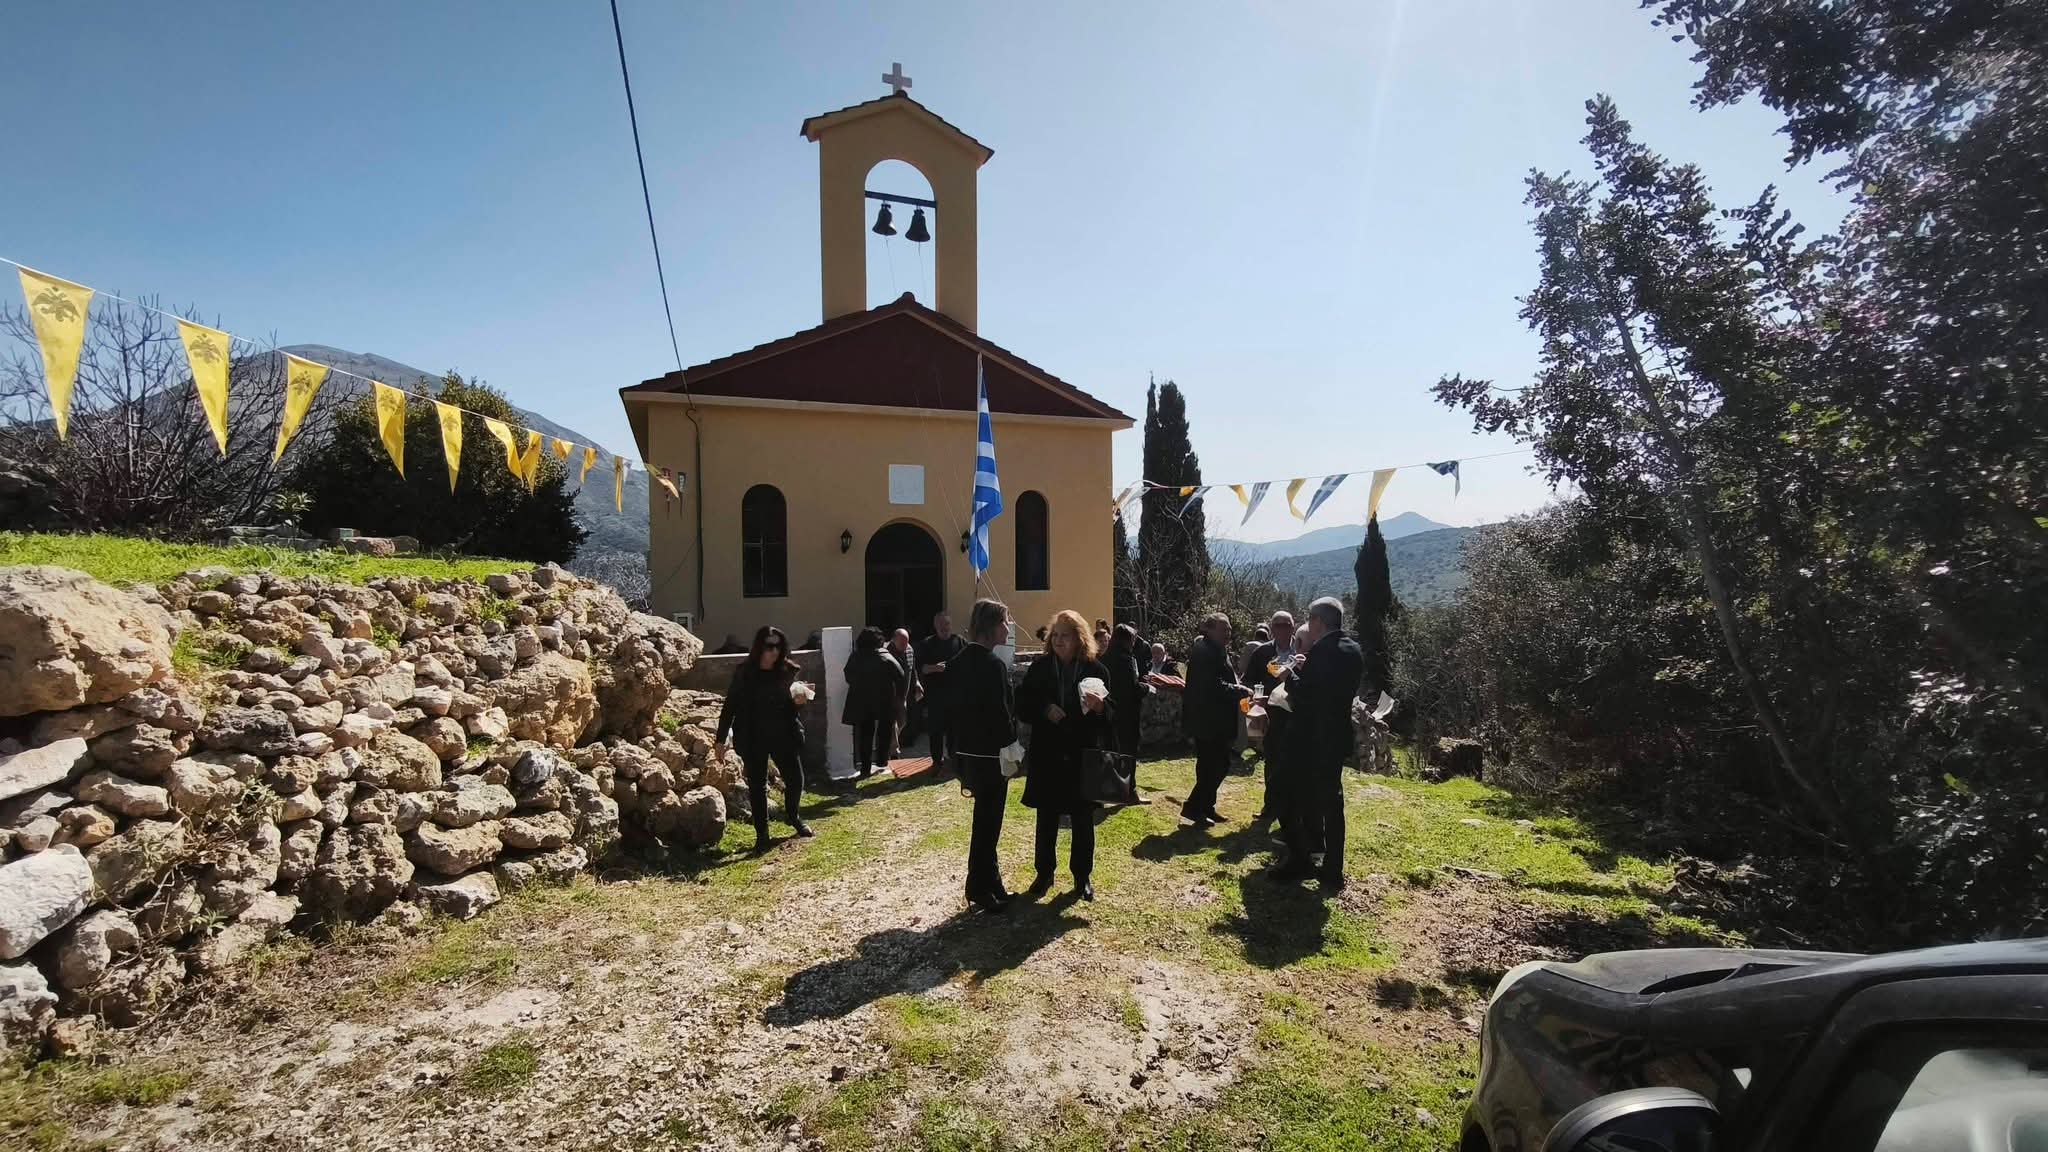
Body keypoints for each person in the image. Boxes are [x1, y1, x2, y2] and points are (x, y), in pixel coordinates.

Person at [1017, 610, 1114, 901]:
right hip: (1048, 753)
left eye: (1065, 636)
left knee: (1082, 819)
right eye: (1055, 635)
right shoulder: (1040, 668)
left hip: (1082, 754)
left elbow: (1113, 715)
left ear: (1079, 638)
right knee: (1046, 816)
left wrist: (1101, 708)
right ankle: (1044, 873)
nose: (1058, 641)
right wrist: (1044, 709)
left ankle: (1082, 877)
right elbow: (1022, 704)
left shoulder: (1096, 670)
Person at [1272, 597, 1364, 893]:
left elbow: (1306, 697)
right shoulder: (1352, 649)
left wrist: (1291, 675)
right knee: (1330, 804)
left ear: (1318, 622)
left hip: (1309, 739)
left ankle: (1299, 858)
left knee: (1285, 795)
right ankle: (1332, 868)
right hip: (1335, 737)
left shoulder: (1323, 651)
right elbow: (1329, 690)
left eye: (1309, 619)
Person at [947, 599, 1019, 913]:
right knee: (988, 824)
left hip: (966, 753)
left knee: (986, 821)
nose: (1008, 626)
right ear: (991, 626)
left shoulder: (957, 661)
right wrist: (1014, 750)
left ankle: (992, 882)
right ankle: (978, 886)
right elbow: (1001, 715)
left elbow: (949, 712)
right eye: (1005, 621)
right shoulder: (992, 665)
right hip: (990, 756)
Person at [716, 625, 815, 851]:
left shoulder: (787, 671)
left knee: (796, 779)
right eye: (770, 646)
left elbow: (791, 704)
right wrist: (720, 739)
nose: (775, 652)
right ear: (759, 647)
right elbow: (730, 706)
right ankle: (762, 835)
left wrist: (798, 703)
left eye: (779, 647)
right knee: (757, 786)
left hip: (783, 733)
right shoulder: (744, 673)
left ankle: (793, 816)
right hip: (753, 735)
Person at [1182, 612, 1251, 825]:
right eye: (1223, 629)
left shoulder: (1215, 649)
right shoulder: (1205, 652)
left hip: (1215, 720)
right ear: (1209, 629)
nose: (1228, 633)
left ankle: (1206, 807)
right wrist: (1240, 690)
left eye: (1229, 629)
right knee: (1214, 766)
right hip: (1208, 720)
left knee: (1215, 765)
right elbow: (1213, 686)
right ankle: (1193, 807)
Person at [1243, 612, 1298, 827]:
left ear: (1293, 627)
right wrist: (1255, 701)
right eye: (1278, 625)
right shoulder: (1262, 652)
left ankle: (1291, 807)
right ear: (1272, 628)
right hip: (1271, 715)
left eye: (1287, 625)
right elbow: (1248, 681)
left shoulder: (1302, 650)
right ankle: (1271, 805)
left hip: (1296, 715)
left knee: (1294, 762)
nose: (1282, 628)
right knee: (1272, 760)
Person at [841, 627, 904, 780]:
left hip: (862, 700)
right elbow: (900, 674)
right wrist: (898, 697)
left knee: (865, 734)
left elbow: (848, 675)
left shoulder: (856, 656)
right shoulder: (884, 655)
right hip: (884, 699)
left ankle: (865, 767)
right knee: (884, 730)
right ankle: (882, 761)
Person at [918, 612, 967, 770]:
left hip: (956, 695)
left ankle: (953, 759)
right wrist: (935, 668)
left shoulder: (959, 641)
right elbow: (921, 668)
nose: (944, 627)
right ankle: (937, 761)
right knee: (936, 730)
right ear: (935, 626)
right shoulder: (927, 644)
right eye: (940, 624)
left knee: (955, 730)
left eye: (946, 624)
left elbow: (969, 663)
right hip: (935, 696)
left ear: (950, 625)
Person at [1104, 623, 1145, 761]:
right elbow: (1133, 688)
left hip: (1109, 712)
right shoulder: (1127, 661)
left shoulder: (1104, 658)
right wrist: (1146, 688)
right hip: (1126, 714)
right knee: (1127, 753)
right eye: (1132, 639)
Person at [886, 628, 921, 758]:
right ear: (893, 640)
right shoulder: (885, 651)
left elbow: (913, 668)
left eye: (906, 643)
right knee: (892, 721)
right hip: (890, 693)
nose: (905, 646)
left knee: (902, 721)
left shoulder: (910, 649)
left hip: (903, 694)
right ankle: (894, 750)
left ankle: (888, 745)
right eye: (902, 644)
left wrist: (917, 682)